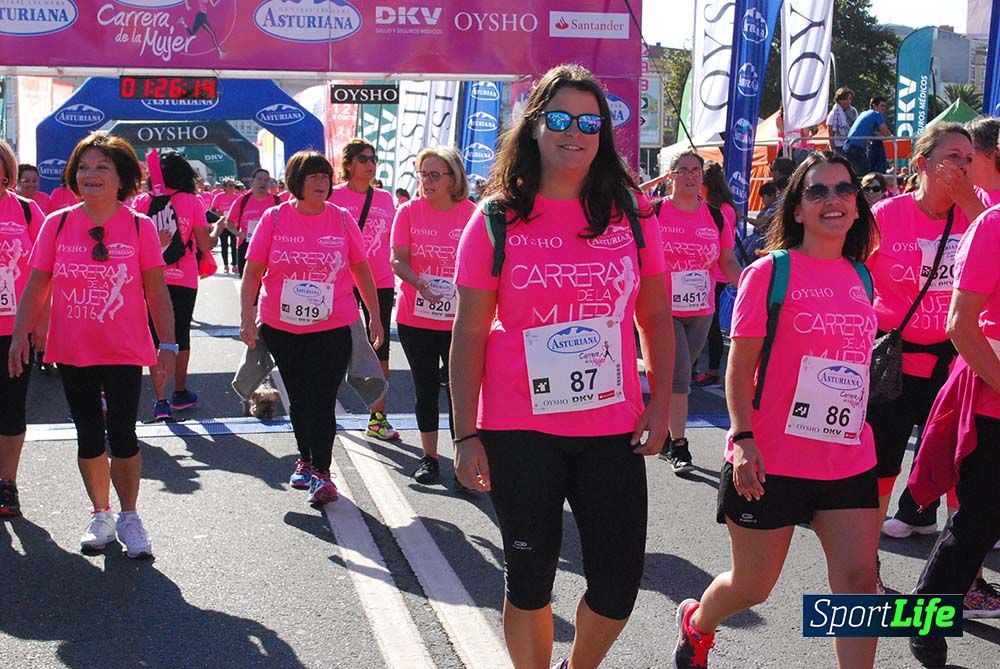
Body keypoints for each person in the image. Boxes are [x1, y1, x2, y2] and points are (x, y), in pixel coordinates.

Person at [451, 64, 673, 669]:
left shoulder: (631, 213)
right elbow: (469, 332)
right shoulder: (497, 217)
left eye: (590, 122)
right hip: (519, 428)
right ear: (534, 127)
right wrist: (465, 431)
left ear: (603, 133)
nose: (575, 133)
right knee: (529, 578)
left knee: (618, 583)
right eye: (560, 119)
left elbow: (655, 316)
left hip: (611, 427)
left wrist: (662, 402)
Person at [674, 151, 880, 669]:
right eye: (818, 192)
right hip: (771, 458)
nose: (833, 200)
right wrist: (742, 441)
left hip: (847, 457)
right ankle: (700, 623)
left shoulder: (862, 276)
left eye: (843, 190)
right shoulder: (770, 272)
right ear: (798, 209)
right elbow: (739, 368)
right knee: (751, 587)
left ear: (856, 206)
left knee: (859, 585)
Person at [8, 132, 177, 558]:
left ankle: (131, 515)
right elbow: (35, 287)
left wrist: (169, 346)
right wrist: (19, 335)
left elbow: (157, 292)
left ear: (122, 177)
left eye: (102, 167)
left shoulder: (139, 227)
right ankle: (100, 513)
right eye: (83, 167)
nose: (90, 175)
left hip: (123, 347)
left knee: (123, 433)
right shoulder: (58, 223)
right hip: (73, 348)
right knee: (88, 435)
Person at [866, 123, 986, 589]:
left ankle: (967, 581)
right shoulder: (886, 214)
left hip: (958, 362)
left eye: (968, 158)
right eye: (952, 156)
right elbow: (852, 278)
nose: (963, 165)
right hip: (893, 365)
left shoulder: (981, 216)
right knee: (880, 471)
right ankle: (866, 572)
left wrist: (971, 204)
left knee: (964, 470)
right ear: (921, 164)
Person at [240, 150, 383, 505]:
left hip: (333, 325)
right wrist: (246, 315)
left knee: (322, 397)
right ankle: (304, 458)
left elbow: (361, 270)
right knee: (300, 399)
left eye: (325, 177)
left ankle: (322, 471)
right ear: (296, 182)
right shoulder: (274, 218)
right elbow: (253, 271)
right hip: (282, 326)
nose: (321, 183)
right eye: (312, 177)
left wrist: (375, 315)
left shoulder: (342, 218)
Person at [906, 202, 1000, 666]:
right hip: (994, 398)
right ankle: (927, 615)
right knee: (981, 517)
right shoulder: (994, 225)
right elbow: (961, 324)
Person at [391, 147, 475, 485]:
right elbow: (398, 260)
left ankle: (462, 464)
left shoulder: (472, 213)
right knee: (424, 389)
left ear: (454, 178)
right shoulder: (409, 211)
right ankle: (429, 457)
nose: (427, 181)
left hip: (460, 320)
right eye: (423, 174)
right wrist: (419, 282)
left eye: (434, 175)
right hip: (415, 317)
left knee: (460, 391)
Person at [657, 151, 741, 474]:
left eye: (696, 171)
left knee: (676, 376)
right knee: (680, 378)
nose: (690, 176)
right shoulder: (655, 213)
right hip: (663, 310)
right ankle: (679, 446)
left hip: (701, 310)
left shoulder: (715, 217)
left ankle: (664, 433)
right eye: (683, 171)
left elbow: (727, 260)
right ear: (670, 176)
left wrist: (749, 285)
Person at [132, 151, 215, 421]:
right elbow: (205, 244)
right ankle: (180, 391)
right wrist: (219, 229)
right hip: (184, 276)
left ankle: (160, 400)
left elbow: (132, 240)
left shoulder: (143, 202)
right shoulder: (192, 201)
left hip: (151, 276)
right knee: (180, 334)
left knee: (156, 335)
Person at [330, 139, 399, 441]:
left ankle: (378, 418)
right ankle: (326, 412)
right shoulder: (333, 196)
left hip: (379, 280)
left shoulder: (384, 199)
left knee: (379, 345)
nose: (370, 163)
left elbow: (392, 242)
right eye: (362, 158)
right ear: (348, 165)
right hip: (339, 281)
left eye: (373, 158)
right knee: (333, 346)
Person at [0, 141, 45, 517]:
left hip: (14, 330)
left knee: (12, 407)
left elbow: (45, 275)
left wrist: (40, 324)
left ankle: (7, 482)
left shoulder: (28, 212)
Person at [694, 160, 743, 389]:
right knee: (698, 322)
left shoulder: (723, 210)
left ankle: (713, 369)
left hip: (718, 274)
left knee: (710, 324)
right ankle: (694, 368)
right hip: (700, 274)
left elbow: (723, 245)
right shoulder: (705, 204)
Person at [224, 169, 279, 277]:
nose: (263, 182)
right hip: (246, 244)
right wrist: (239, 234)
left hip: (270, 245)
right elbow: (229, 222)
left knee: (266, 283)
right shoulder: (242, 200)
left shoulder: (277, 201)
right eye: (259, 179)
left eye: (266, 180)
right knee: (248, 283)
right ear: (252, 182)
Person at [843, 97, 890, 178]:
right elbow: (886, 133)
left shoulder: (864, 113)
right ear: (874, 106)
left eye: (885, 106)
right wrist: (889, 135)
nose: (884, 108)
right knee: (864, 175)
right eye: (882, 106)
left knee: (854, 175)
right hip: (856, 149)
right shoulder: (876, 114)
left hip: (848, 147)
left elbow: (871, 134)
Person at [966, 116, 1000, 203]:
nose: (961, 162)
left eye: (969, 155)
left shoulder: (964, 196)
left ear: (993, 154)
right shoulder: (964, 192)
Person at [211, 179, 238, 273]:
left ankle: (234, 264)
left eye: (233, 185)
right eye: (230, 185)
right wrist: (219, 214)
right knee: (224, 245)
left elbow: (241, 210)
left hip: (234, 225)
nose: (232, 187)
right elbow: (212, 210)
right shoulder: (219, 197)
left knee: (234, 245)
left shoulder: (237, 197)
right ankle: (226, 265)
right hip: (223, 225)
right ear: (225, 187)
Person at [825, 87, 859, 155]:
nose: (848, 101)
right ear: (839, 100)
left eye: (850, 99)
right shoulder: (833, 114)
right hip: (839, 146)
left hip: (852, 145)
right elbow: (831, 135)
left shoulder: (853, 111)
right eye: (845, 99)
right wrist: (833, 150)